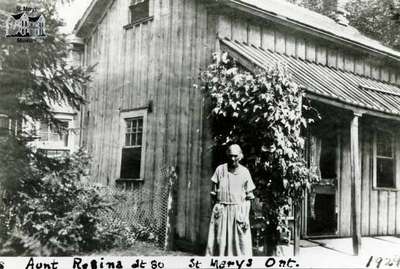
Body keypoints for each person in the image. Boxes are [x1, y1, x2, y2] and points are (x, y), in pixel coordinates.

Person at [206, 144, 256, 256]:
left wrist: (245, 215)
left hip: (239, 213)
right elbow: (213, 193)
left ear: (240, 156)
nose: (232, 159)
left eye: (235, 156)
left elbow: (249, 196)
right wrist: (215, 211)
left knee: (240, 244)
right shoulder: (220, 170)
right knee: (220, 243)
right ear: (227, 156)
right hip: (222, 211)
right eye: (230, 156)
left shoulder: (245, 172)